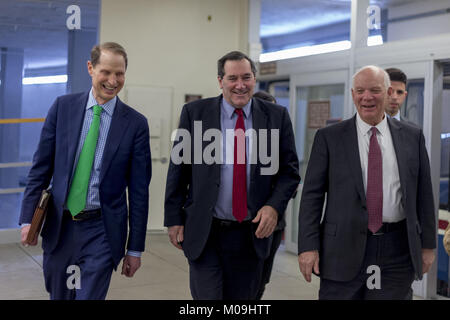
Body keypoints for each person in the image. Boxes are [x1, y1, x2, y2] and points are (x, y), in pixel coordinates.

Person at [19, 42, 152, 300]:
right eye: (106, 72)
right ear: (91, 68)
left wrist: (135, 249)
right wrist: (28, 220)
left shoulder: (135, 124)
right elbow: (40, 169)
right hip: (60, 226)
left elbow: (138, 193)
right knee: (60, 295)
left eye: (120, 73)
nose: (113, 80)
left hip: (102, 230)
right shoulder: (63, 108)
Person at [164, 51, 300, 300]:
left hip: (251, 235)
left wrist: (274, 207)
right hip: (206, 231)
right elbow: (179, 169)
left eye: (246, 77)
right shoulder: (196, 113)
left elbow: (289, 172)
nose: (240, 85)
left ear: (254, 79)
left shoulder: (276, 116)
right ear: (220, 81)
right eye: (232, 78)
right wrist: (173, 218)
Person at [298, 65, 436, 300]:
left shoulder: (412, 136)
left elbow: (424, 194)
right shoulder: (330, 138)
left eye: (375, 90)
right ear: (352, 94)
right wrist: (307, 246)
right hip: (341, 248)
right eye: (360, 91)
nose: (367, 97)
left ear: (389, 92)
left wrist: (428, 245)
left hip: (396, 249)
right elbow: (312, 196)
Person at [252, 90, 293, 300]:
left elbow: (290, 179)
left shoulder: (280, 145)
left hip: (274, 226)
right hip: (245, 225)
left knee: (261, 278)